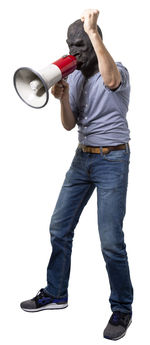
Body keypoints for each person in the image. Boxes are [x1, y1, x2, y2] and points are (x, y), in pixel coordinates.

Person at [20, 9, 133, 341]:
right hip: (83, 159)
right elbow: (70, 125)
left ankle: (122, 308)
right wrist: (63, 98)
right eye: (71, 45)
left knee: (111, 241)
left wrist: (93, 31)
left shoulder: (118, 71)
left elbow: (111, 80)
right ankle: (56, 292)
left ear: (96, 42)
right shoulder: (79, 78)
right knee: (59, 226)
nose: (74, 53)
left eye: (80, 45)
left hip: (113, 160)